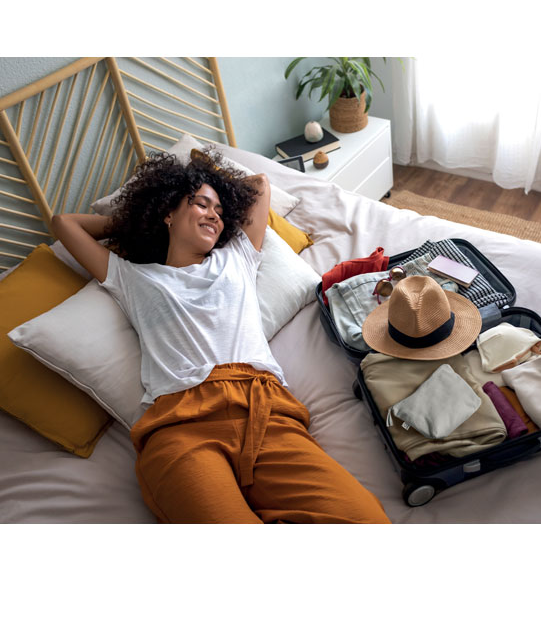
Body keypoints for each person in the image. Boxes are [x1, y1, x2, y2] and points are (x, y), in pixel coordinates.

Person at [52, 150, 390, 524]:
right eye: (201, 204)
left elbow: (259, 184)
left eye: (219, 209)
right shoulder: (132, 277)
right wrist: (138, 219)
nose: (214, 215)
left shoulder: (237, 255)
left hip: (264, 410)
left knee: (368, 521)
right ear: (168, 212)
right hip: (182, 425)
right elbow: (64, 223)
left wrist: (209, 187)